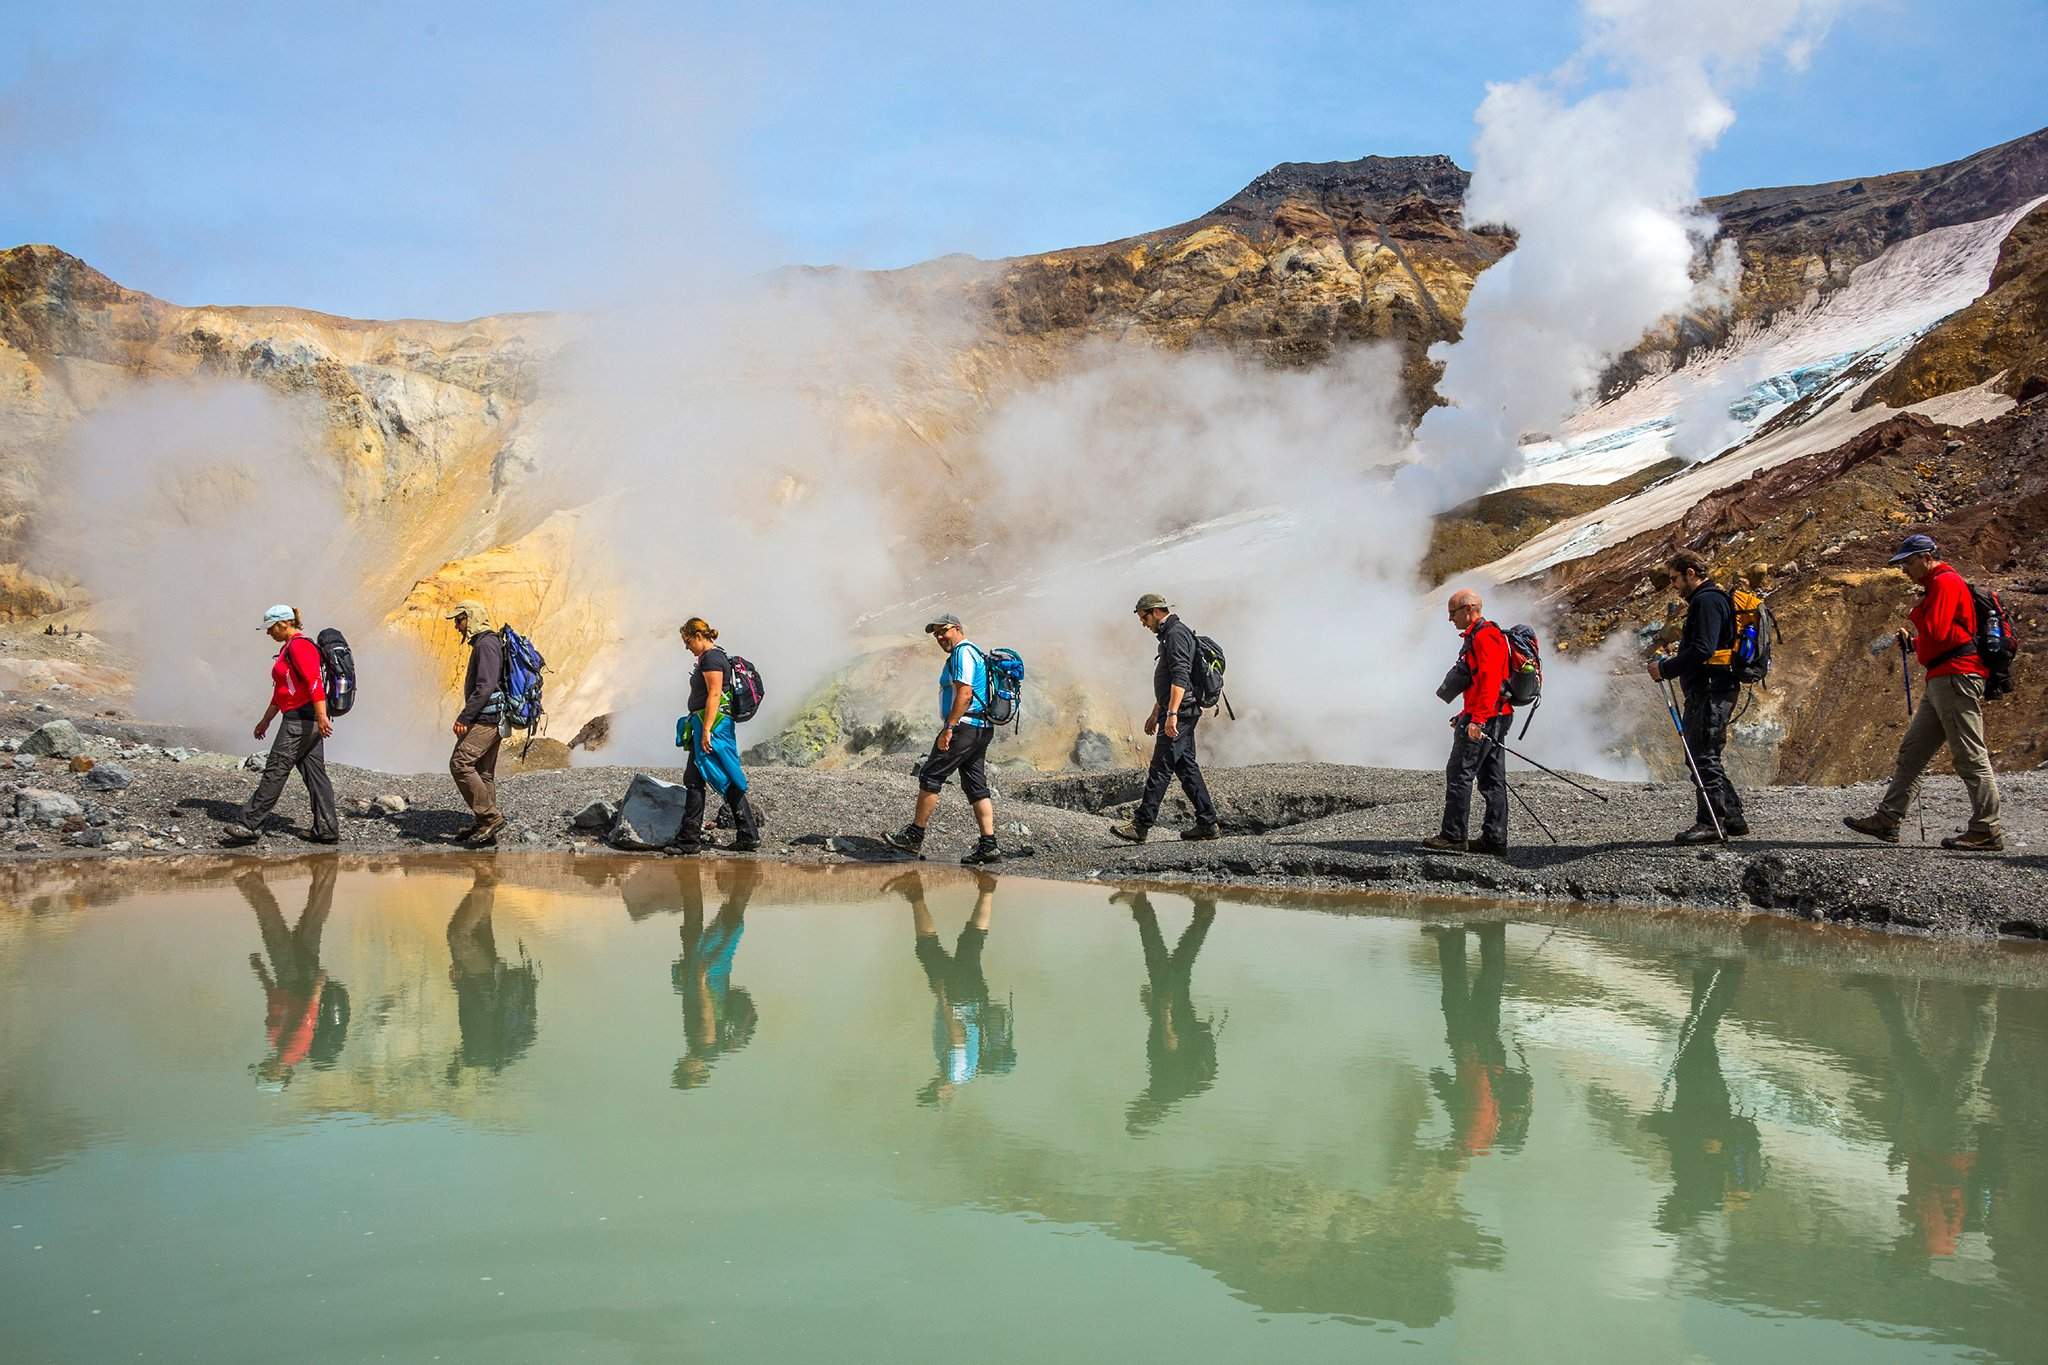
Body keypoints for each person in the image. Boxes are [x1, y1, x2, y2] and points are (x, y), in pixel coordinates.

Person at [1844, 534, 2003, 851]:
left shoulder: (1944, 583)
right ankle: (1888, 818)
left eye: (1907, 562)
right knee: (1913, 752)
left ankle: (1987, 828)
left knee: (1970, 755)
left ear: (1926, 557)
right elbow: (1945, 636)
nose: (1904, 569)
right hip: (1944, 676)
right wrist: (1916, 644)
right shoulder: (1939, 585)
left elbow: (1940, 630)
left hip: (1956, 677)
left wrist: (1916, 615)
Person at [884, 612, 1002, 865]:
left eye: (943, 630)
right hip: (981, 728)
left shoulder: (962, 653)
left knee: (931, 776)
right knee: (975, 784)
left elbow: (965, 693)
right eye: (936, 633)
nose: (939, 637)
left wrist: (950, 726)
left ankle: (914, 836)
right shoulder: (975, 653)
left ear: (957, 628)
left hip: (964, 726)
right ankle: (989, 846)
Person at [1646, 552, 1748, 844]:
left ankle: (1710, 823)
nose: (1674, 585)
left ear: (1691, 573)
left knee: (1702, 756)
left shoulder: (1706, 601)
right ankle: (1731, 815)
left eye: (1675, 578)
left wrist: (1665, 668)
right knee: (1705, 754)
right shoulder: (1712, 599)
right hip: (1714, 687)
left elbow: (1702, 649)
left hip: (1711, 689)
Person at [889, 869, 1014, 1105]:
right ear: (945, 1095)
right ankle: (914, 892)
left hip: (974, 1000)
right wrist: (943, 997)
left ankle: (987, 888)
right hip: (959, 998)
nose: (932, 1086)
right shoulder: (955, 1072)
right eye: (933, 1092)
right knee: (928, 949)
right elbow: (958, 1035)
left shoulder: (965, 1076)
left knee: (970, 944)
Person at [222, 605, 337, 847]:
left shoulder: (299, 646)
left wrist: (322, 716)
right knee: (316, 776)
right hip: (306, 721)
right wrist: (266, 720)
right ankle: (326, 829)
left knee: (276, 769)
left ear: (283, 624)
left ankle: (249, 824)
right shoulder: (289, 648)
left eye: (270, 628)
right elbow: (282, 692)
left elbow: (314, 681)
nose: (268, 634)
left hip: (300, 723)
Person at [1111, 594, 1220, 843]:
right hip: (1178, 711)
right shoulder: (1170, 635)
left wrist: (1170, 714)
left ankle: (1141, 825)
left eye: (1143, 618)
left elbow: (1180, 678)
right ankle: (1207, 822)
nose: (1143, 624)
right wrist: (1155, 713)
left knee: (1160, 767)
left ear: (1156, 612)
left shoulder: (1175, 635)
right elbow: (1169, 680)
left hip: (1180, 714)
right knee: (1186, 768)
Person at [1114, 888, 1220, 1134]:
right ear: (1145, 1112)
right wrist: (1163, 1010)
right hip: (1175, 1015)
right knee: (1157, 956)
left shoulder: (1170, 1095)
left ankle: (1203, 912)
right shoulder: (1164, 1089)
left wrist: (1158, 1011)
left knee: (1179, 962)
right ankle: (1143, 905)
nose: (1135, 1105)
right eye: (1136, 1111)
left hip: (1180, 1018)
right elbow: (1170, 1046)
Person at [239, 861, 347, 1086]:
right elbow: (305, 1019)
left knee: (313, 918)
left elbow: (274, 1002)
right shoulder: (291, 1051)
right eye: (267, 1073)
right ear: (279, 1074)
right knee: (273, 925)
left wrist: (261, 973)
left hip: (289, 976)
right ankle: (248, 877)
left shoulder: (280, 1047)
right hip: (296, 978)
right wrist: (317, 988)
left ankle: (325, 867)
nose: (264, 1067)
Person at [1422, 588, 1511, 855]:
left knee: (1460, 774)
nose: (1450, 619)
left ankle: (1453, 835)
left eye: (1453, 612)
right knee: (1492, 779)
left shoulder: (1485, 637)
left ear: (1469, 609)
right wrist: (1465, 714)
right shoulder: (1486, 636)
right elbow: (1480, 683)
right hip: (1496, 715)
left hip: (1486, 719)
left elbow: (1490, 682)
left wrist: (1477, 720)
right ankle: (1494, 840)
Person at [672, 618, 762, 855]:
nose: (687, 646)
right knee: (701, 777)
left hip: (712, 725)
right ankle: (745, 834)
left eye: (688, 641)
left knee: (708, 778)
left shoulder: (712, 658)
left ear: (699, 636)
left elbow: (713, 695)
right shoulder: (714, 656)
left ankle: (690, 841)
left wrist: (706, 731)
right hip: (711, 724)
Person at [671, 862, 761, 1090]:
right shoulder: (703, 1045)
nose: (680, 1065)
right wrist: (700, 977)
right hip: (708, 976)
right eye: (683, 1071)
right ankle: (748, 872)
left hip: (710, 977)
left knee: (728, 922)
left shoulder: (710, 1050)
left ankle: (747, 874)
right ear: (697, 1070)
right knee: (729, 924)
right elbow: (705, 1012)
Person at [446, 864, 540, 1076]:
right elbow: (476, 1005)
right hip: (483, 980)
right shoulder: (477, 1048)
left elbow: (474, 1008)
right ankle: (487, 881)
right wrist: (461, 981)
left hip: (488, 980)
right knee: (458, 935)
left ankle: (484, 879)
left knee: (480, 925)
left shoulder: (484, 1047)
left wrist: (459, 983)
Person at [447, 600, 506, 846]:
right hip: (490, 717)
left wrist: (465, 717)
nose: (457, 627)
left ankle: (490, 817)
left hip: (487, 718)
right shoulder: (485, 643)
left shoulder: (486, 645)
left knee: (460, 763)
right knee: (483, 772)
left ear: (470, 618)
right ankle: (485, 824)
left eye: (459, 620)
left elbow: (486, 686)